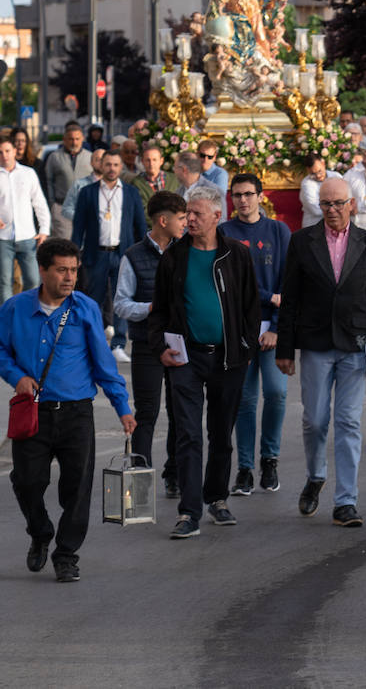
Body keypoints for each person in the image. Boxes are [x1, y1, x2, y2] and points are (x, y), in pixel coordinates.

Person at [1, 238, 135, 582]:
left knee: (77, 488)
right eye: (62, 270)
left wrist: (123, 407)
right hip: (33, 412)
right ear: (42, 270)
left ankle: (66, 554)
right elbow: (1, 351)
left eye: (74, 270)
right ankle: (40, 531)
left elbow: (105, 365)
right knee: (27, 481)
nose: (69, 277)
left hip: (77, 413)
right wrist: (17, 377)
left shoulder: (86, 308)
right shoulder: (15, 308)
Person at [275, 177, 366, 528]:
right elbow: (290, 297)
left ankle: (346, 501)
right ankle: (315, 474)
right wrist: (285, 349)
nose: (333, 210)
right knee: (315, 420)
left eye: (339, 203)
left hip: (354, 345)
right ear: (319, 206)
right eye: (326, 204)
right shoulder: (301, 242)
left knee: (349, 422)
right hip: (315, 344)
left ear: (352, 204)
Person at [148, 185, 260, 539]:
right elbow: (159, 311)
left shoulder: (236, 256)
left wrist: (246, 344)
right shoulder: (173, 257)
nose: (189, 219)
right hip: (186, 359)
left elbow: (250, 307)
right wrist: (159, 348)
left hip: (228, 359)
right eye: (187, 214)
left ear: (216, 216)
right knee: (188, 434)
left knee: (220, 434)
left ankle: (217, 498)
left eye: (196, 214)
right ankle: (189, 511)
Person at [222, 174, 292, 497]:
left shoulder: (278, 231)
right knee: (245, 400)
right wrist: (267, 297)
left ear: (260, 196)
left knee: (276, 393)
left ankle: (270, 459)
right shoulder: (224, 233)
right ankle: (245, 468)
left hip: (274, 331)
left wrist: (277, 326)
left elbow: (288, 284)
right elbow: (231, 284)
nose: (243, 200)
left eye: (249, 194)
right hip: (240, 330)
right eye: (237, 195)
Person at [114, 190, 186, 498]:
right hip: (145, 344)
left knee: (180, 411)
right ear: (163, 220)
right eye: (181, 218)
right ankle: (140, 484)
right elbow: (120, 304)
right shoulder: (132, 256)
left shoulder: (187, 251)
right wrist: (151, 308)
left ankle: (175, 474)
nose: (186, 223)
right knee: (147, 413)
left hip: (181, 342)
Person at [72, 151, 147, 364]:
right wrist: (74, 254)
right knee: (92, 300)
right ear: (101, 166)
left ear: (120, 167)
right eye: (108, 164)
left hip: (123, 253)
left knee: (121, 299)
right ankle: (93, 343)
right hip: (96, 253)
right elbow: (78, 226)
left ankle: (119, 344)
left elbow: (140, 225)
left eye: (115, 164)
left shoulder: (131, 193)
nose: (112, 168)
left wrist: (143, 254)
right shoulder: (88, 192)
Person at [0, 134, 51, 294]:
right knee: (4, 282)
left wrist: (44, 230)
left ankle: (30, 315)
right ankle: (6, 318)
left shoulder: (28, 173)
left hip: (27, 236)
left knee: (33, 280)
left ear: (15, 151)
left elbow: (39, 202)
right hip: (3, 238)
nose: (4, 155)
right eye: (0, 152)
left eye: (7, 151)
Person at [44, 122, 91, 239]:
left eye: (77, 139)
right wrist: (52, 204)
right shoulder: (54, 157)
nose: (74, 142)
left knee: (84, 244)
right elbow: (48, 181)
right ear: (64, 139)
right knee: (64, 246)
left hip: (85, 209)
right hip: (61, 207)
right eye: (70, 139)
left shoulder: (90, 157)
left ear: (82, 139)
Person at [299, 154, 342, 228]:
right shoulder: (306, 184)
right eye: (313, 174)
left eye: (319, 171)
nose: (318, 176)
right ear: (308, 170)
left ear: (323, 163)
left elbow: (345, 197)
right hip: (314, 225)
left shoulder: (336, 176)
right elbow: (316, 210)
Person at [131, 143, 169, 213]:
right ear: (142, 161)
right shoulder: (136, 183)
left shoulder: (174, 180)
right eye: (148, 160)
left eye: (154, 160)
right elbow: (141, 209)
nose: (151, 164)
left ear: (161, 161)